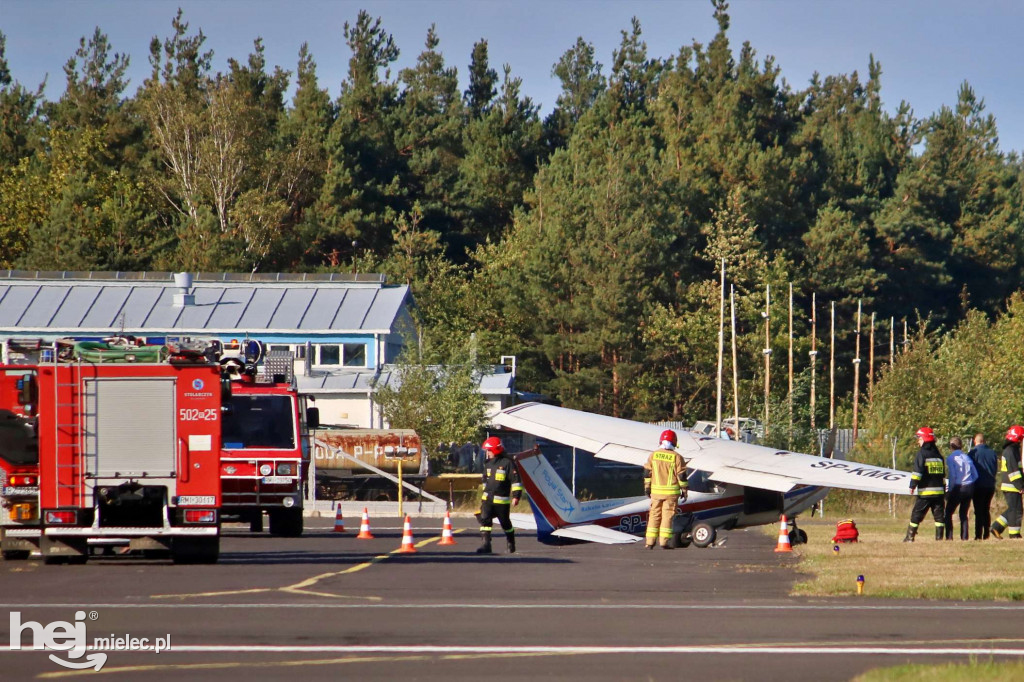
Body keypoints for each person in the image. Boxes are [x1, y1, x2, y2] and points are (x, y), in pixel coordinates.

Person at [475, 436, 522, 554]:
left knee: (505, 523)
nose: (487, 453)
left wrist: (516, 496)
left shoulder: (508, 463)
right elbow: (485, 480)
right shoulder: (488, 464)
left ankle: (511, 543)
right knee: (485, 521)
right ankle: (486, 545)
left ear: (496, 450)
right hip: (487, 500)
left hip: (502, 502)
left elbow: (516, 481)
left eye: (489, 451)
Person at [643, 429, 688, 549]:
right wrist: (684, 490)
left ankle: (649, 542)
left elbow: (647, 473)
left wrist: (647, 488)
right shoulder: (677, 457)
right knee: (667, 516)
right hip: (671, 494)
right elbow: (682, 476)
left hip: (656, 492)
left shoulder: (653, 455)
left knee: (654, 515)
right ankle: (663, 542)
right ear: (674, 442)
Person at [904, 426, 946, 542]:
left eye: (919, 438)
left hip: (926, 492)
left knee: (916, 515)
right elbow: (942, 475)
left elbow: (918, 472)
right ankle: (939, 539)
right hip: (939, 493)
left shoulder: (922, 454)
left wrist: (912, 485)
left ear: (925, 439)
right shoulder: (938, 455)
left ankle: (909, 537)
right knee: (939, 518)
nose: (918, 441)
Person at [990, 425, 1024, 539]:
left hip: (1010, 485)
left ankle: (996, 527)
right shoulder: (1011, 451)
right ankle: (1014, 534)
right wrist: (1021, 485)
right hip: (1012, 485)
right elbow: (1014, 471)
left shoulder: (1010, 449)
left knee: (1013, 509)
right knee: (1016, 510)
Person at [943, 437, 977, 540]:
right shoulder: (967, 457)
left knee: (948, 512)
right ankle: (964, 537)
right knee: (963, 513)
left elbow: (953, 475)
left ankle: (949, 537)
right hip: (969, 486)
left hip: (958, 487)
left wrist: (950, 489)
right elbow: (975, 474)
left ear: (951, 446)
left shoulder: (951, 458)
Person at [968, 433, 998, 539]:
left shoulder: (972, 453)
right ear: (984, 441)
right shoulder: (992, 453)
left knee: (978, 510)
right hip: (990, 485)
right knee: (986, 509)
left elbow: (969, 470)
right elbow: (995, 469)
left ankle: (978, 535)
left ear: (975, 441)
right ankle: (986, 533)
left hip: (978, 485)